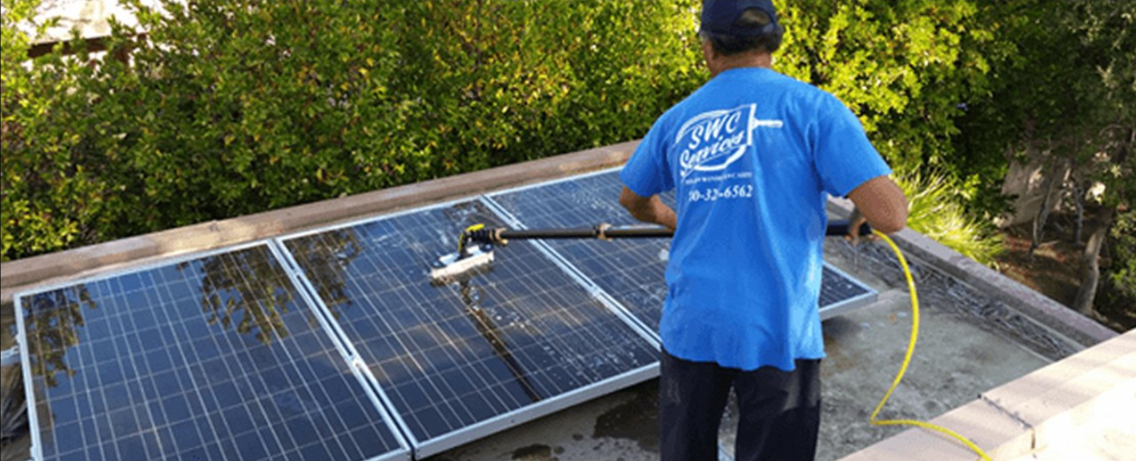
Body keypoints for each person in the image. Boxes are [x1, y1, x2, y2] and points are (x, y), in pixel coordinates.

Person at [617, 1, 908, 460]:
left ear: (708, 49)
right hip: (780, 331)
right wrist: (861, 210)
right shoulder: (814, 109)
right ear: (773, 42)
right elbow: (890, 214)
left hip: (694, 326)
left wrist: (675, 220)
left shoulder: (677, 119)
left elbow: (632, 200)